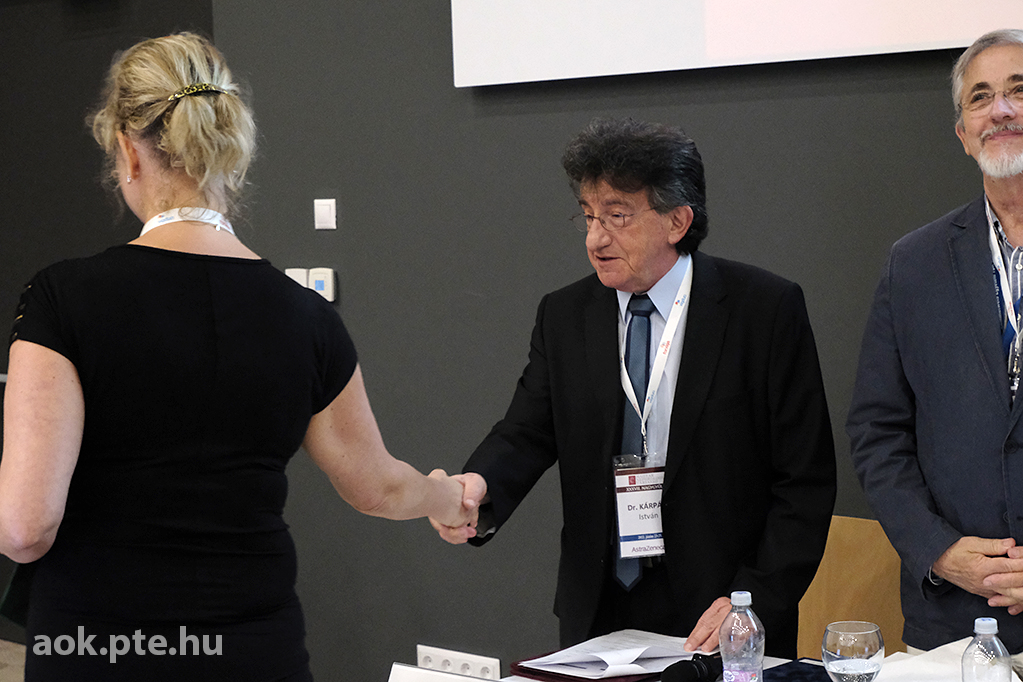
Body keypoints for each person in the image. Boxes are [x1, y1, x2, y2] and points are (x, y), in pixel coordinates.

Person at [0, 33, 470, 681]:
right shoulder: (306, 317)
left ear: (128, 152)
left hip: (99, 649)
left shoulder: (64, 298)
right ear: (230, 150)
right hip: (256, 650)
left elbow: (25, 528)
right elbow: (378, 487)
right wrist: (447, 498)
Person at [432, 118, 836, 658]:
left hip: (721, 610)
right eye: (588, 216)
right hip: (598, 606)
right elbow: (526, 430)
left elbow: (805, 480)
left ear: (677, 221)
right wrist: (477, 488)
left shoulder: (763, 310)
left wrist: (753, 600)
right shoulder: (565, 314)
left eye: (617, 217)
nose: (595, 238)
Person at [848, 29, 1023, 660]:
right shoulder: (915, 263)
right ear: (963, 134)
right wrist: (939, 550)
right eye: (980, 97)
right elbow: (877, 430)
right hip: (952, 620)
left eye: (1019, 90)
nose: (1000, 109)